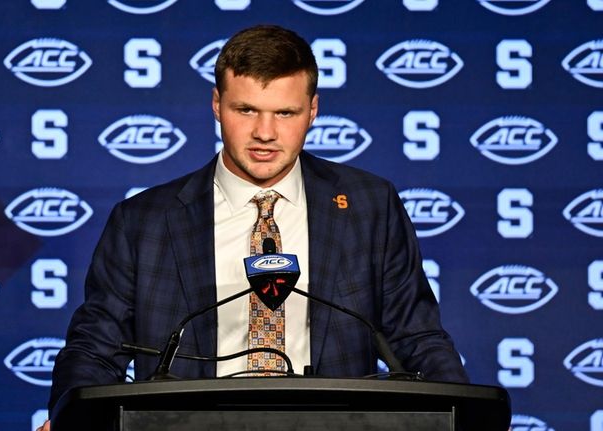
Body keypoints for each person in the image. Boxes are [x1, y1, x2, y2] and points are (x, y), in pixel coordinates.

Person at [39, 24, 467, 430]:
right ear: (216, 105)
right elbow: (95, 347)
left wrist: (463, 414)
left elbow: (417, 336)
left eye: (285, 112)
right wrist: (68, 416)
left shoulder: (369, 207)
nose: (265, 132)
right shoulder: (144, 221)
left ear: (313, 111)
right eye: (246, 109)